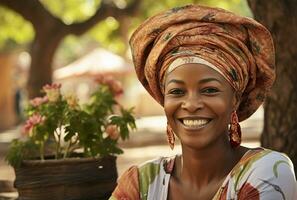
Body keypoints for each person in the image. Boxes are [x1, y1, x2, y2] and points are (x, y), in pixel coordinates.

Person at [109, 4, 297, 200]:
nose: (190, 104)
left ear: (235, 99)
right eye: (177, 91)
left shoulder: (266, 173)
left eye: (209, 90)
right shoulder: (141, 182)